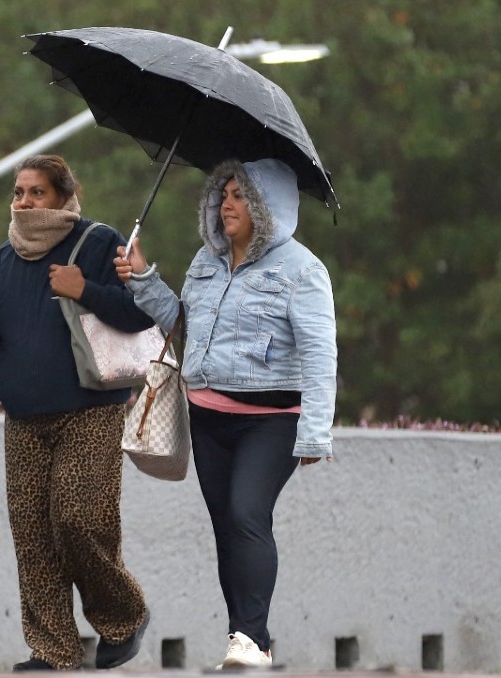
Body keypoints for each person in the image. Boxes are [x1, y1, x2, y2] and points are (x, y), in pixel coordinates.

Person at [0, 154, 153, 672]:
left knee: (75, 518)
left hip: (90, 410)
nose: (25, 202)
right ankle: (53, 651)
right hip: (24, 418)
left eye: (38, 193)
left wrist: (85, 289)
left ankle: (124, 614)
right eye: (19, 193)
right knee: (32, 535)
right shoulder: (1, 263)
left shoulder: (97, 243)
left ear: (63, 196)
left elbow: (141, 313)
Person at [114, 158, 337, 669]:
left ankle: (252, 640)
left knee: (246, 514)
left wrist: (315, 433)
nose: (226, 203)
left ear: (268, 207)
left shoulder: (302, 269)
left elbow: (321, 355)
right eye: (224, 193)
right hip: (208, 417)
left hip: (272, 421)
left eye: (240, 195)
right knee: (226, 527)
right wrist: (143, 277)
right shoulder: (206, 262)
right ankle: (242, 639)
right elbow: (182, 324)